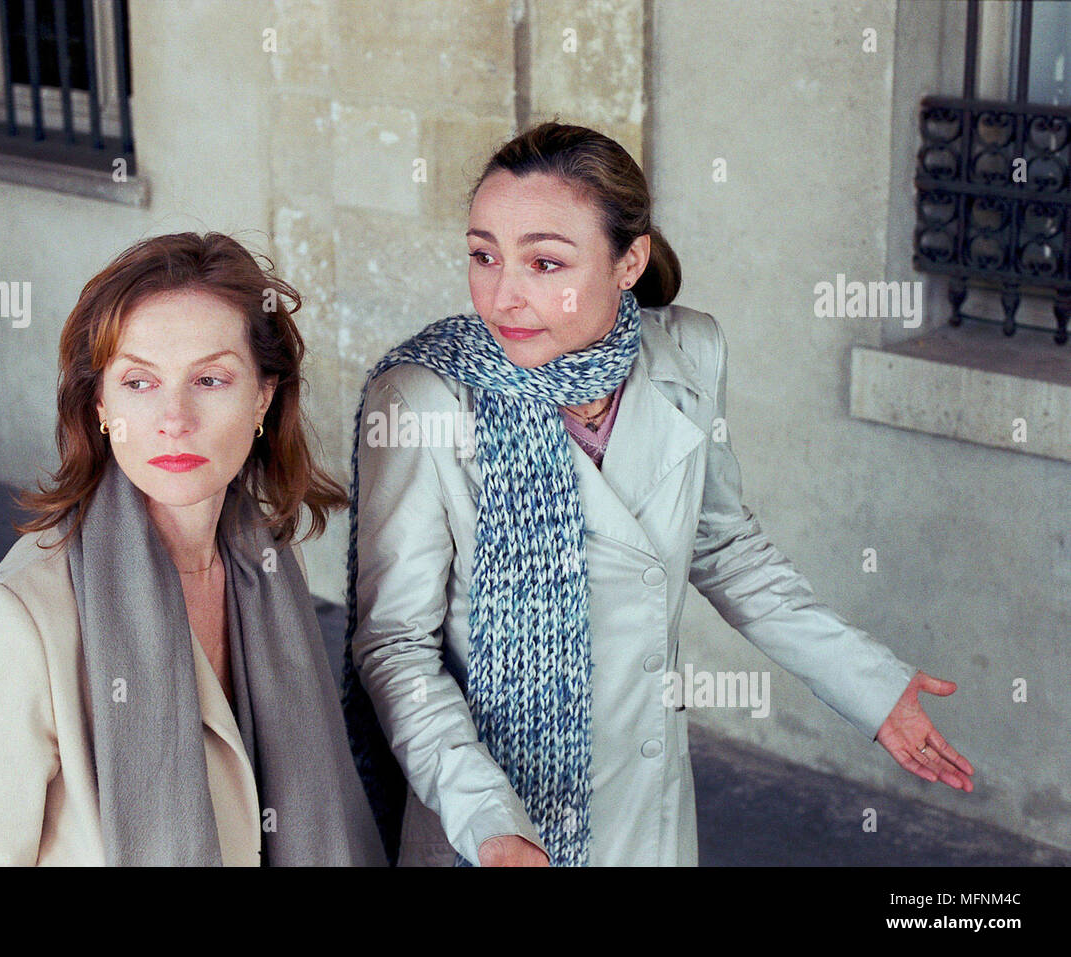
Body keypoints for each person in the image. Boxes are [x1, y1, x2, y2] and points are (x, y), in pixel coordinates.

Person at [342, 121, 974, 867]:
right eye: (484, 255)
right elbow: (395, 645)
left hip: (645, 815)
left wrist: (873, 686)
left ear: (629, 260)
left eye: (545, 261)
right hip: (491, 828)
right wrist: (490, 822)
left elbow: (727, 550)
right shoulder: (422, 399)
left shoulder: (691, 353)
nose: (502, 293)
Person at [0, 232, 385, 866]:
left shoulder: (269, 563)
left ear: (263, 396)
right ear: (99, 403)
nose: (174, 418)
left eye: (210, 379)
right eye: (138, 382)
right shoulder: (16, 621)